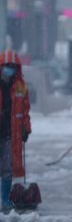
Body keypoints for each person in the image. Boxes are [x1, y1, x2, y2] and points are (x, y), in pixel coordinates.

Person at [0, 51, 31, 212]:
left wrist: (26, 128)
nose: (8, 70)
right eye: (6, 66)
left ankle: (5, 199)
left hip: (9, 134)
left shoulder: (21, 87)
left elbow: (25, 111)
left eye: (12, 67)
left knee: (7, 168)